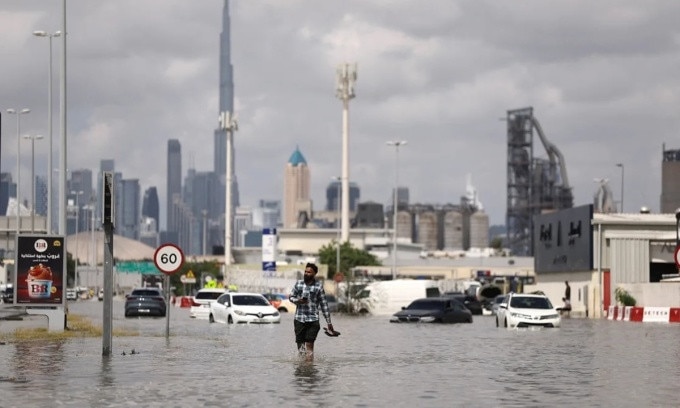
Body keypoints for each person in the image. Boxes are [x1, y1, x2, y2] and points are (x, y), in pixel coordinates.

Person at [289, 263, 336, 360]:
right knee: (300, 347)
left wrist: (329, 322)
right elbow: (291, 297)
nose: (306, 273)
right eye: (305, 271)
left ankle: (309, 370)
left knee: (309, 346)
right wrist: (298, 301)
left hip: (313, 320)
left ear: (314, 274)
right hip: (299, 319)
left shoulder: (318, 286)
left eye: (309, 272)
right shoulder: (299, 284)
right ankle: (302, 370)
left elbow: (324, 305)